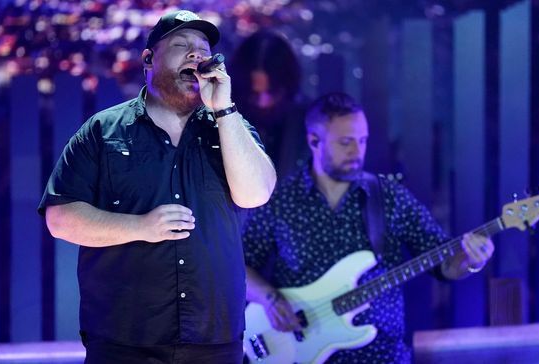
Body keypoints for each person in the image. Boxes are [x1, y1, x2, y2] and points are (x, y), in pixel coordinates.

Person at [38, 10, 276, 364]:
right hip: (125, 340)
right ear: (149, 58)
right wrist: (140, 227)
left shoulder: (229, 126)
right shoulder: (102, 131)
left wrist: (224, 110)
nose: (197, 54)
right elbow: (60, 219)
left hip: (214, 338)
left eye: (203, 48)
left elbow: (256, 194)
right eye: (182, 45)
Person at [242, 92, 494, 363]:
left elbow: (442, 262)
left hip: (382, 355)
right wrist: (269, 299)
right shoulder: (281, 200)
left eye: (362, 141)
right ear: (314, 141)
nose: (357, 152)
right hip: (299, 351)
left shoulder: (390, 197)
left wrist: (469, 260)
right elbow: (237, 266)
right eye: (346, 142)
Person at [229, 29, 309, 178]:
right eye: (254, 94)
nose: (262, 102)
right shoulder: (223, 118)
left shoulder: (308, 123)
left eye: (271, 93)